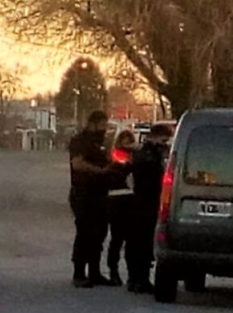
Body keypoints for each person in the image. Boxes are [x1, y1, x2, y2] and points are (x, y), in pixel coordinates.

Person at [127, 123, 174, 293]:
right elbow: (152, 179)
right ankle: (140, 279)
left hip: (142, 202)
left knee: (139, 243)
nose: (165, 143)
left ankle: (136, 279)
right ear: (156, 136)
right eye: (164, 139)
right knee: (143, 243)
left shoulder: (143, 152)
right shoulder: (148, 155)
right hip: (145, 203)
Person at [69, 110, 112, 288]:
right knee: (85, 234)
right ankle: (79, 273)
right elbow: (77, 164)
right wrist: (99, 170)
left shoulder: (100, 143)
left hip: (100, 194)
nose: (104, 129)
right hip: (83, 194)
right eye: (102, 125)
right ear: (93, 123)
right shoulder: (80, 141)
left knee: (99, 234)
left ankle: (95, 272)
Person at [105, 129, 137, 286]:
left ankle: (131, 274)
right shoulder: (117, 156)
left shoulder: (135, 157)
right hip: (117, 199)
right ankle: (113, 271)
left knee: (131, 240)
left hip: (131, 200)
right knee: (118, 238)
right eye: (125, 142)